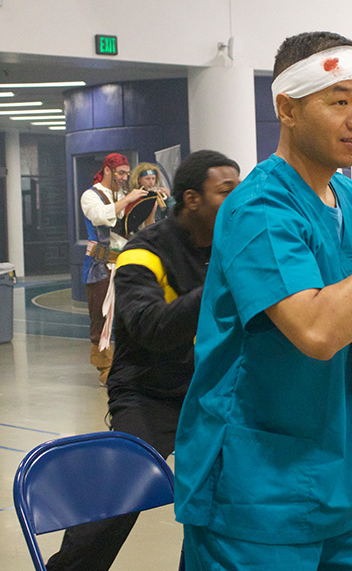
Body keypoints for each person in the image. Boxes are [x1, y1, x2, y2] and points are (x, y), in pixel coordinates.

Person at [174, 31, 352, 571]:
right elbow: (316, 332)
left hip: (341, 481)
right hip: (257, 488)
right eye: (339, 102)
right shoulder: (258, 207)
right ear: (287, 108)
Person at [47, 150, 240, 571]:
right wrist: (217, 283)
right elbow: (152, 328)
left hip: (213, 394)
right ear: (192, 199)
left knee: (229, 510)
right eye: (226, 191)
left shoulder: (234, 243)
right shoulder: (143, 252)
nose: (237, 199)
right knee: (112, 508)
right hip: (148, 394)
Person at [80, 153, 147, 385]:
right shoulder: (90, 195)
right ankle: (105, 367)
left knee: (129, 313)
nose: (124, 177)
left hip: (124, 264)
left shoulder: (121, 196)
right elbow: (100, 217)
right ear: (108, 170)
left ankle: (129, 363)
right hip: (100, 266)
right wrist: (127, 199)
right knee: (100, 315)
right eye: (121, 173)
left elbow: (132, 225)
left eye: (127, 174)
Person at [128, 162, 175, 227]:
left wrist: (169, 198)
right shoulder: (133, 197)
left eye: (153, 178)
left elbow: (175, 215)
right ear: (138, 180)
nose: (151, 182)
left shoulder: (159, 196)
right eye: (147, 179)